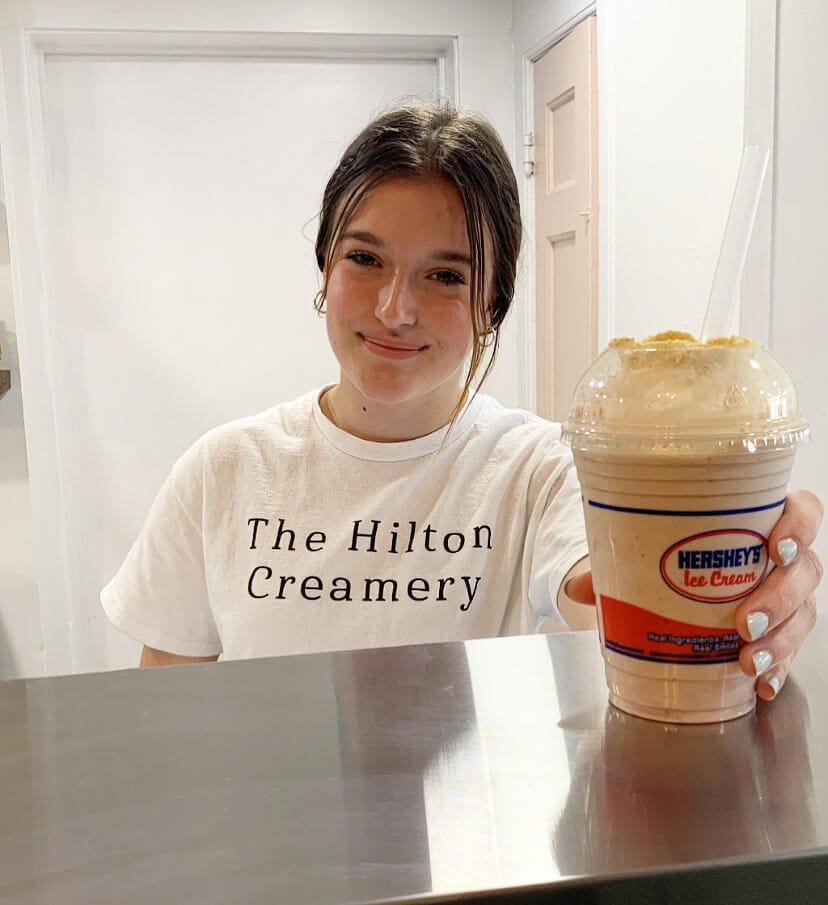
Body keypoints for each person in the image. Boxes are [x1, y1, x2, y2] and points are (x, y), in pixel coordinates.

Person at [101, 102, 822, 703]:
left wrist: (728, 577)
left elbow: (603, 593)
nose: (395, 308)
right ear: (325, 266)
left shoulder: (542, 469)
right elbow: (162, 716)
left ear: (492, 305)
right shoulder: (223, 470)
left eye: (446, 276)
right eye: (365, 258)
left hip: (465, 834)